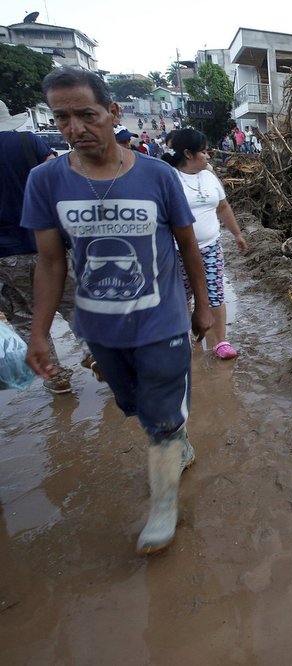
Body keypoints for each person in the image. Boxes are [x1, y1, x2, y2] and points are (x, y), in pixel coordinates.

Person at [21, 67, 213, 555]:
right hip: (100, 325)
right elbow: (49, 261)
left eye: (85, 114)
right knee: (135, 406)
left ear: (112, 112)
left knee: (162, 417)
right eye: (61, 117)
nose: (74, 128)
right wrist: (39, 333)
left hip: (163, 317)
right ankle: (175, 439)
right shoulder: (45, 182)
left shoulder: (157, 176)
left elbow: (189, 247)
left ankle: (164, 505)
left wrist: (203, 306)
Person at [0, 100, 72, 393]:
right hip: (47, 242)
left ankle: (54, 376)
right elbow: (59, 178)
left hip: (5, 253)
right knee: (73, 303)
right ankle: (97, 354)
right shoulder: (27, 141)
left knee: (24, 315)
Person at [162, 129, 247, 359]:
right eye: (203, 151)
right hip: (177, 252)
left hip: (210, 248)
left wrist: (237, 234)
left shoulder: (209, 177)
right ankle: (185, 338)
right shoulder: (169, 179)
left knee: (216, 294)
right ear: (188, 154)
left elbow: (223, 207)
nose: (208, 155)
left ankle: (221, 342)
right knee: (182, 296)